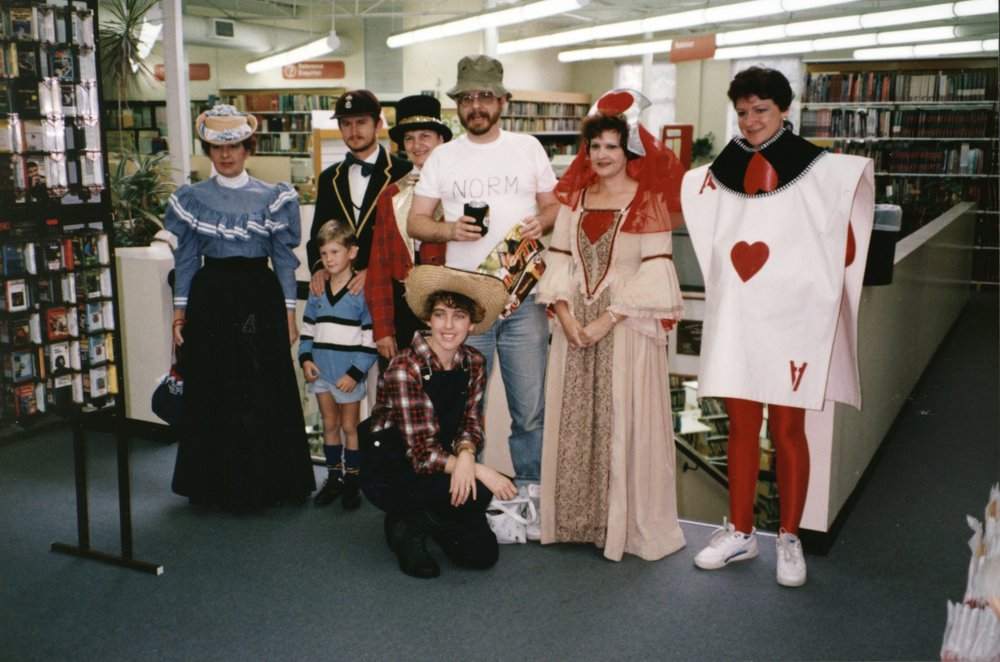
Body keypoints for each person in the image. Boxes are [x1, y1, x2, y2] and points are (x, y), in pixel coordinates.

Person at [680, 66, 874, 586]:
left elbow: (842, 233)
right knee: (742, 427)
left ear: (785, 109)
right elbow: (711, 227)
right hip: (741, 317)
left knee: (788, 430)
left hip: (792, 319)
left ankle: (789, 537)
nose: (750, 121)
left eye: (760, 109)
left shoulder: (818, 168)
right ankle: (741, 532)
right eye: (742, 112)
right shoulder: (724, 168)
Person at [535, 89, 687, 562]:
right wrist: (565, 316)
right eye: (594, 146)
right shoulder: (576, 199)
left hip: (625, 325)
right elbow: (557, 260)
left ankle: (620, 525)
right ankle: (578, 521)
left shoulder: (650, 200)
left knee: (621, 419)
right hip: (573, 322)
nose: (600, 155)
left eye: (610, 146)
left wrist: (605, 320)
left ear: (629, 151)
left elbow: (655, 269)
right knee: (575, 419)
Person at [408, 55, 559, 495]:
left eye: (485, 97)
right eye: (467, 97)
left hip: (523, 296)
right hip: (464, 302)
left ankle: (530, 495)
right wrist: (449, 229)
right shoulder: (442, 157)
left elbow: (554, 206)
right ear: (458, 104)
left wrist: (542, 222)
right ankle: (464, 497)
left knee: (529, 409)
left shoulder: (527, 147)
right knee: (460, 409)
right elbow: (416, 222)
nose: (476, 105)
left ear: (503, 101)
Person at [166, 104, 315, 509]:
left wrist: (289, 315)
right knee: (215, 385)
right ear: (208, 150)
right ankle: (215, 485)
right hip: (211, 297)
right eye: (216, 147)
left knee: (260, 388)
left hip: (258, 297)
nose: (225, 155)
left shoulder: (273, 196)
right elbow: (186, 258)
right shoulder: (192, 198)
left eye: (232, 147)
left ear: (248, 148)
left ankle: (269, 484)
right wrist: (180, 312)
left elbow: (284, 259)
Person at [359, 265, 518, 579]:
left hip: (438, 462)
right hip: (393, 469)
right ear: (427, 319)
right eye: (440, 314)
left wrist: (468, 455)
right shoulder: (406, 366)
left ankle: (425, 516)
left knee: (481, 555)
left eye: (459, 316)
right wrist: (478, 469)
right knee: (483, 488)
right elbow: (420, 452)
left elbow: (471, 423)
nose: (448, 326)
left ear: (471, 323)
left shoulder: (474, 361)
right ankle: (406, 524)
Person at [299, 220, 378, 509]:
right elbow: (308, 329)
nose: (329, 259)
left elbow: (370, 338)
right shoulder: (317, 290)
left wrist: (355, 373)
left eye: (335, 251)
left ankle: (352, 481)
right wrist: (306, 360)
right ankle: (333, 478)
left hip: (348, 375)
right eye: (324, 253)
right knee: (330, 424)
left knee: (349, 427)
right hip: (321, 371)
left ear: (352, 252)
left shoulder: (360, 291)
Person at [366, 94, 450, 364]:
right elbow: (378, 266)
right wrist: (382, 329)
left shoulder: (459, 191)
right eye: (409, 138)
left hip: (450, 304)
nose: (417, 144)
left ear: (441, 140)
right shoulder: (390, 195)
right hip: (402, 310)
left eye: (425, 135)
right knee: (403, 397)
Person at [308, 89, 412, 298]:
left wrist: (376, 271)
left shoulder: (404, 172)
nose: (354, 131)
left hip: (391, 289)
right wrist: (319, 267)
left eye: (362, 122)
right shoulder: (329, 177)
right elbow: (318, 233)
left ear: (378, 124)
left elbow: (408, 240)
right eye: (346, 124)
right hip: (341, 286)